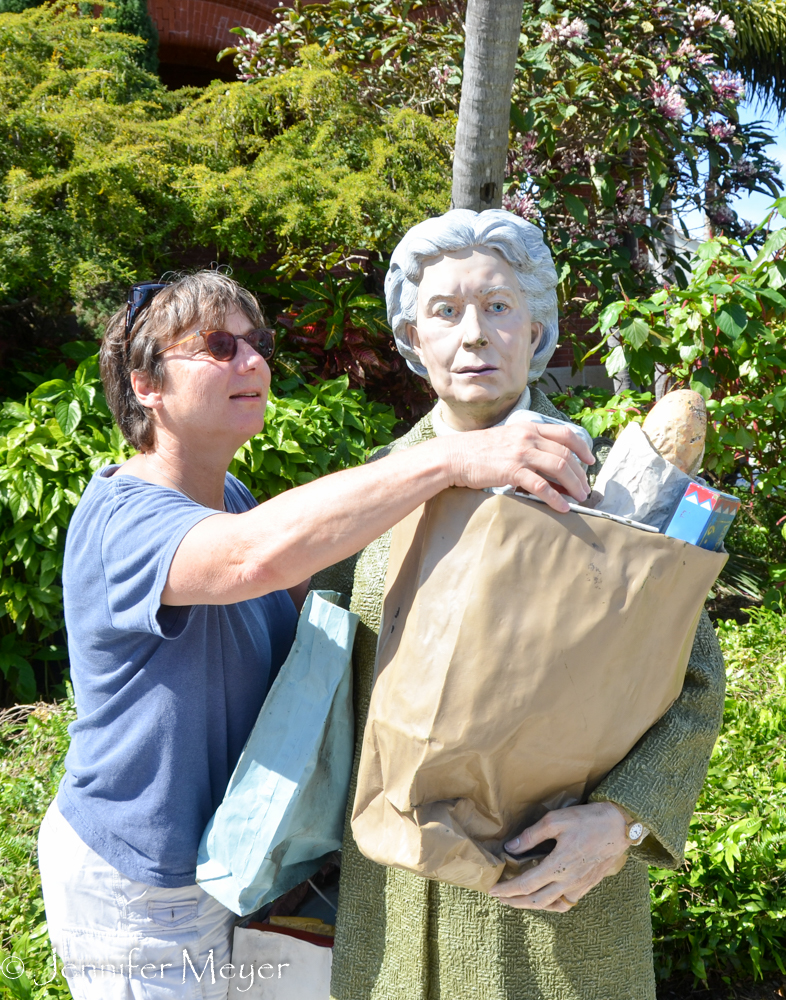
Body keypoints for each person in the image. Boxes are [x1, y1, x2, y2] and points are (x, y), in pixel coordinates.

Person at [36, 269, 595, 1000]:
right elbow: (255, 557)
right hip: (141, 889)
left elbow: (320, 596)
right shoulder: (124, 520)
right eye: (217, 345)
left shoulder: (230, 498)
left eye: (257, 343)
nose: (253, 362)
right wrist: (452, 459)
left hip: (234, 867)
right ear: (147, 385)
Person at [323, 210, 726, 1000]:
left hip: (559, 915)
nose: (474, 334)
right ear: (412, 337)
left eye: (499, 307)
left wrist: (622, 822)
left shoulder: (612, 495)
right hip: (394, 922)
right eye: (445, 311)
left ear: (537, 329)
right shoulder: (370, 494)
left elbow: (697, 683)